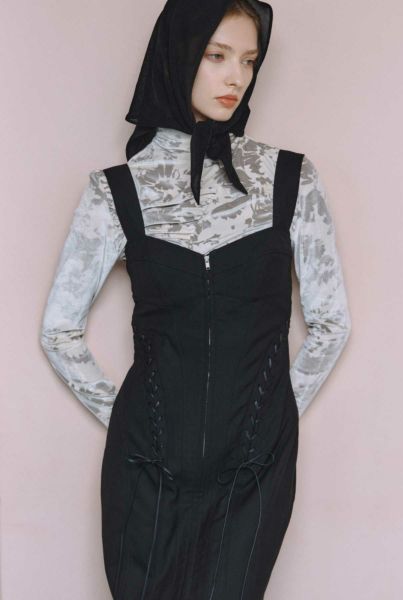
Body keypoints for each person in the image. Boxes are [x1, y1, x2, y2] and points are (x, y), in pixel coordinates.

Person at [39, 0, 352, 598]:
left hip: (253, 469)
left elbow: (331, 322)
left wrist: (274, 415)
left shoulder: (290, 178)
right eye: (216, 56)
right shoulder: (117, 190)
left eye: (249, 60)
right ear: (177, 56)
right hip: (146, 467)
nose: (236, 77)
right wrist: (131, 419)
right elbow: (58, 330)